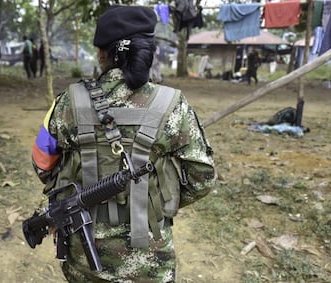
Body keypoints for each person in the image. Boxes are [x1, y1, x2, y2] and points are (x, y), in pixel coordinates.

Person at [31, 5, 216, 282]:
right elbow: (202, 178)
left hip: (84, 257)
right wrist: (156, 201)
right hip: (152, 260)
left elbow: (42, 163)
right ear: (148, 52)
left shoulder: (68, 102)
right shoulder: (173, 105)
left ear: (102, 53)